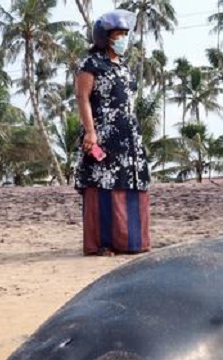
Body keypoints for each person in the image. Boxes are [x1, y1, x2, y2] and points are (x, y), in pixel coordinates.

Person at [74, 10, 151, 256]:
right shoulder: (92, 64)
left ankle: (132, 241)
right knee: (103, 187)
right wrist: (90, 132)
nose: (123, 39)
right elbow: (82, 97)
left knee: (130, 183)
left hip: (129, 139)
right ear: (105, 37)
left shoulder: (125, 68)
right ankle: (103, 244)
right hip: (102, 135)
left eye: (126, 35)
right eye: (119, 35)